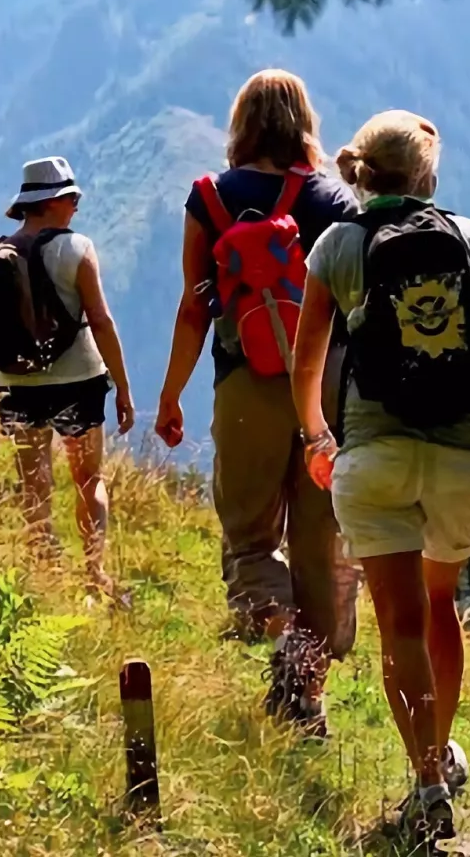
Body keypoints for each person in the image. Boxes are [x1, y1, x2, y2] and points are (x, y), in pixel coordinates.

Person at [291, 110, 470, 840]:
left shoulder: (337, 245)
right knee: (440, 608)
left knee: (398, 620)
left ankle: (429, 780)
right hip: (466, 454)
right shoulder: (468, 237)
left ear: (361, 173)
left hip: (373, 455)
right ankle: (439, 752)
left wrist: (316, 435)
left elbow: (309, 362)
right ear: (428, 176)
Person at [154, 68, 362, 737]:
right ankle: (308, 695)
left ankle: (284, 650)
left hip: (245, 380)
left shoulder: (211, 198)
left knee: (249, 535)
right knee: (319, 541)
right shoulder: (338, 199)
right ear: (306, 122)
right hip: (328, 388)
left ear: (240, 123)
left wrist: (171, 395)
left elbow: (196, 307)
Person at [0, 157, 134, 599]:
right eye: (73, 198)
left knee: (35, 482)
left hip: (17, 382)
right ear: (57, 201)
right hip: (79, 378)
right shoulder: (78, 249)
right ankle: (94, 573)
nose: (76, 207)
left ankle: (44, 573)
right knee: (88, 479)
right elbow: (99, 319)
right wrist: (122, 386)